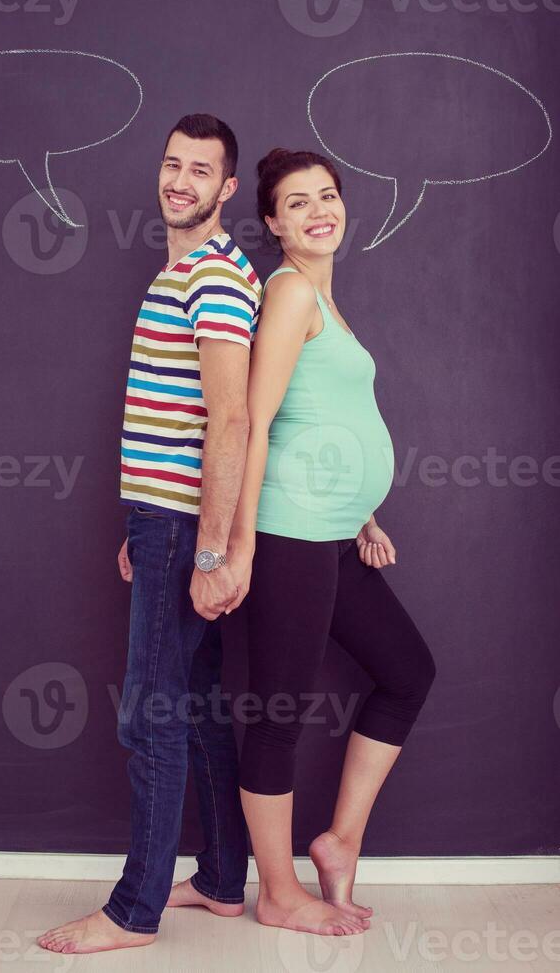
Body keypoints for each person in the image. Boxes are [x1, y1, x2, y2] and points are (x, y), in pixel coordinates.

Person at [37, 113, 262, 955]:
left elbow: (231, 419)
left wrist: (204, 550)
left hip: (182, 528)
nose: (180, 181)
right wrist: (150, 521)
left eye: (200, 171)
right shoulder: (185, 272)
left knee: (153, 715)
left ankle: (133, 910)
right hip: (163, 518)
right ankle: (220, 879)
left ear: (227, 189)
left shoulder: (211, 276)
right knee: (197, 704)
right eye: (172, 165)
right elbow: (183, 420)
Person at [224, 147, 437, 937]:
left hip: (332, 534)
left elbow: (318, 422)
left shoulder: (323, 297)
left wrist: (363, 511)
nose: (319, 210)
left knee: (407, 672)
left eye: (328, 196)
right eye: (297, 202)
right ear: (274, 223)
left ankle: (338, 842)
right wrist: (239, 543)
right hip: (286, 534)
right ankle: (278, 893)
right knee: (280, 712)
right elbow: (251, 418)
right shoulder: (287, 293)